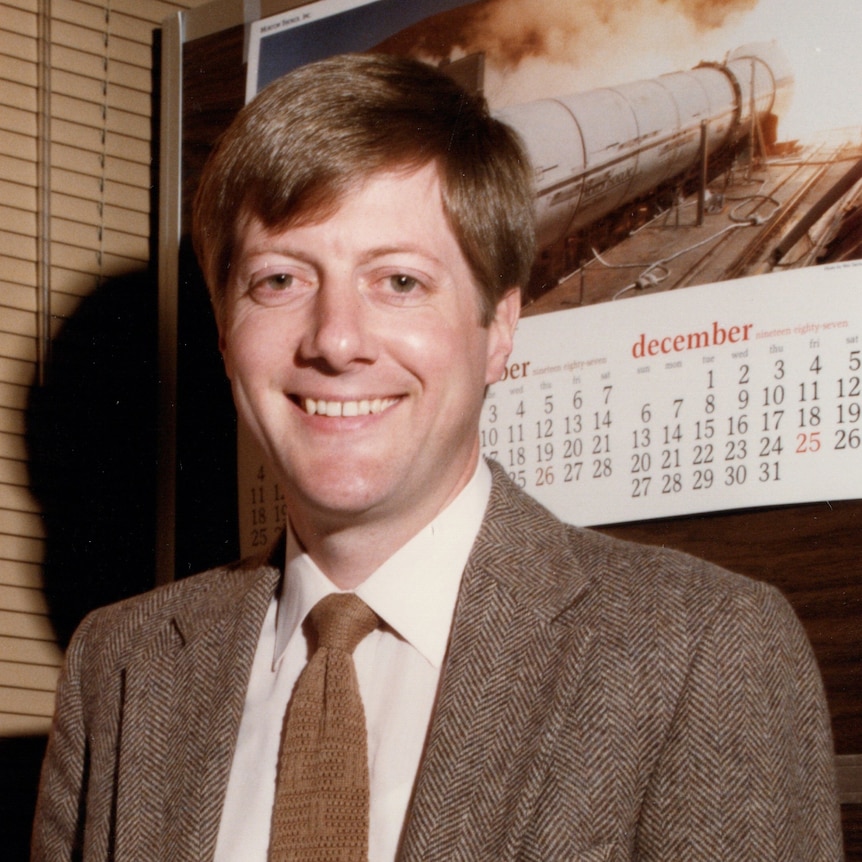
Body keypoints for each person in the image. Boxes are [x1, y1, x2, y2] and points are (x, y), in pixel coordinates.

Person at [32, 53, 842, 861]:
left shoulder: (703, 652)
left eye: (400, 282)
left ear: (499, 330)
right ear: (225, 337)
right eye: (280, 280)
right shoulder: (121, 669)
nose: (335, 340)